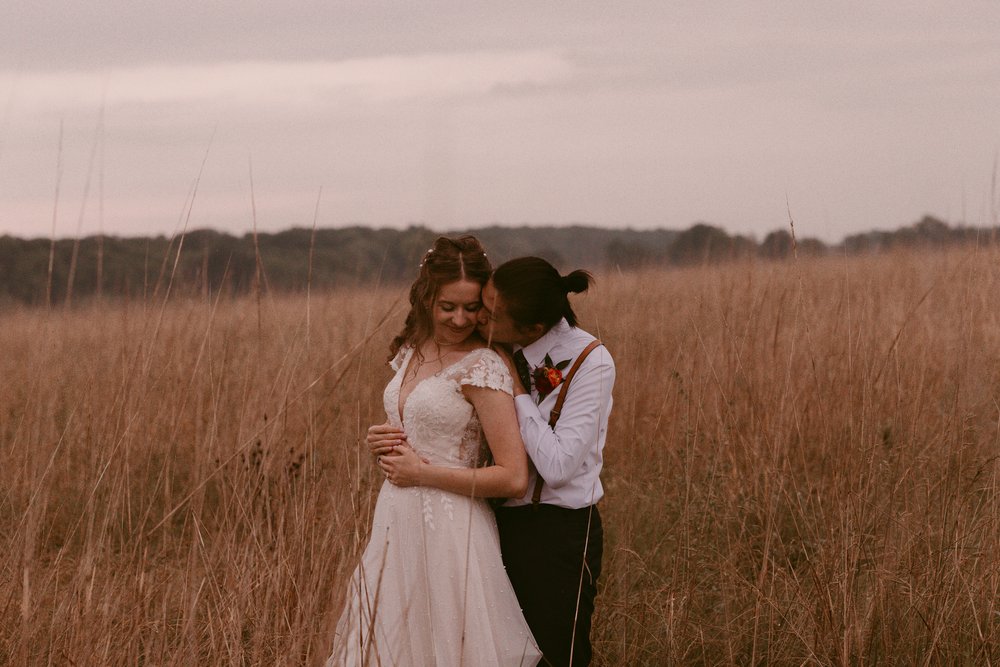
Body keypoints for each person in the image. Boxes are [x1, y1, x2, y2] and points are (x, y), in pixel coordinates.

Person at [371, 256, 615, 667]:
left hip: (556, 530)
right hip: (488, 518)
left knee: (555, 655)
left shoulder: (591, 362)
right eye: (482, 302)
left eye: (488, 313)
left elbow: (556, 467)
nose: (476, 319)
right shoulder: (493, 346)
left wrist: (517, 388)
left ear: (532, 329)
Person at [327, 236, 541, 666]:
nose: (461, 319)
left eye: (472, 307)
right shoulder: (412, 351)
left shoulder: (483, 365)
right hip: (394, 521)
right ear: (426, 299)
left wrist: (421, 474)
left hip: (451, 531)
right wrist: (383, 440)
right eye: (448, 307)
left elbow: (514, 477)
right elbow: (420, 427)